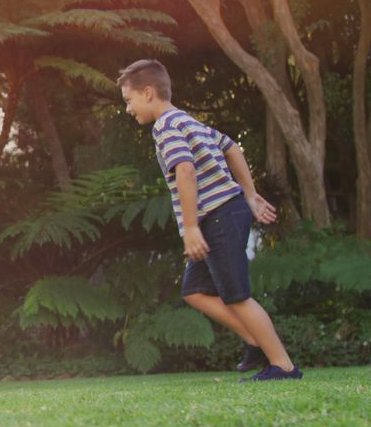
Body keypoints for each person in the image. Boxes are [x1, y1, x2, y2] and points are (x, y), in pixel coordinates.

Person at [117, 59, 302, 381]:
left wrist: (190, 227)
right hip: (223, 213)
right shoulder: (187, 120)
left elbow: (185, 170)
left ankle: (283, 366)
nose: (128, 109)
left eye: (128, 100)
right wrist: (249, 193)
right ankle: (253, 340)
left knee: (236, 295)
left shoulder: (166, 126)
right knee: (194, 290)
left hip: (217, 217)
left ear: (147, 93)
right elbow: (232, 148)